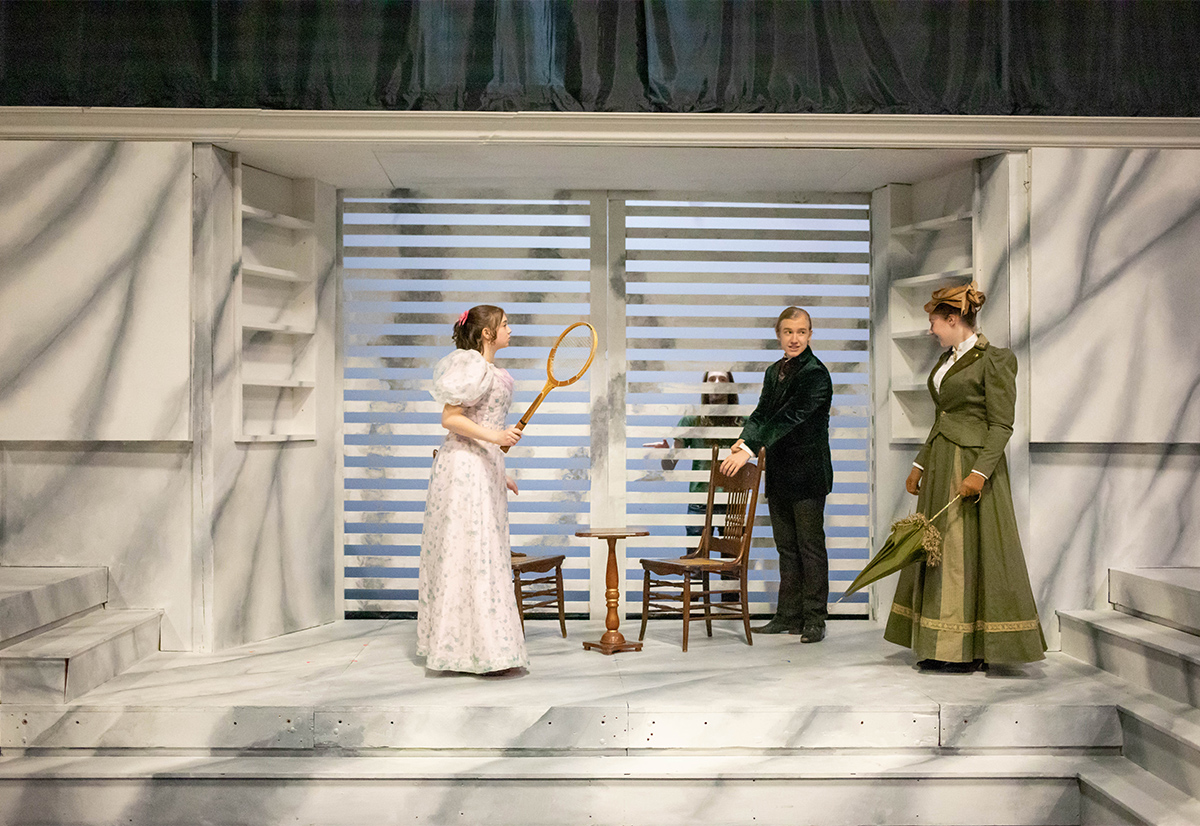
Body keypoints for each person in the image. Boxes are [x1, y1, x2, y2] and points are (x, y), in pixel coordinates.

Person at [885, 282, 1046, 672]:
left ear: (953, 319)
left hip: (969, 466)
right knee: (938, 550)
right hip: (942, 462)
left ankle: (964, 649)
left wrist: (979, 473)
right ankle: (940, 645)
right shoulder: (946, 361)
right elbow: (944, 418)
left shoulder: (995, 360)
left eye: (934, 322)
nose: (931, 330)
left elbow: (1002, 424)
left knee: (962, 553)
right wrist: (921, 463)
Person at [417, 305, 529, 675]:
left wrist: (500, 469)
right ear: (486, 333)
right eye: (505, 324)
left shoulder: (493, 372)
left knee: (485, 551)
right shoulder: (470, 366)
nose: (510, 329)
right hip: (462, 468)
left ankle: (488, 648)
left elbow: (485, 421)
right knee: (467, 551)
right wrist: (496, 438)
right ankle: (461, 650)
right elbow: (451, 419)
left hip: (483, 467)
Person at [720, 307, 833, 643]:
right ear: (778, 334)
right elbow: (762, 413)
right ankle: (787, 615)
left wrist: (749, 450)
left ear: (810, 335)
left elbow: (788, 419)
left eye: (801, 332)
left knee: (810, 548)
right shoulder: (774, 371)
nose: (794, 338)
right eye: (788, 332)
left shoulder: (816, 374)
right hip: (780, 473)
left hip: (809, 475)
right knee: (786, 548)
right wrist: (744, 438)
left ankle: (814, 619)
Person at [648, 371, 744, 538]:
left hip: (732, 501)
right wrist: (665, 453)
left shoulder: (744, 422)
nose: (716, 382)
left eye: (722, 379)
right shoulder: (691, 420)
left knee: (730, 560)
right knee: (694, 560)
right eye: (711, 379)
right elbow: (669, 466)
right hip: (700, 501)